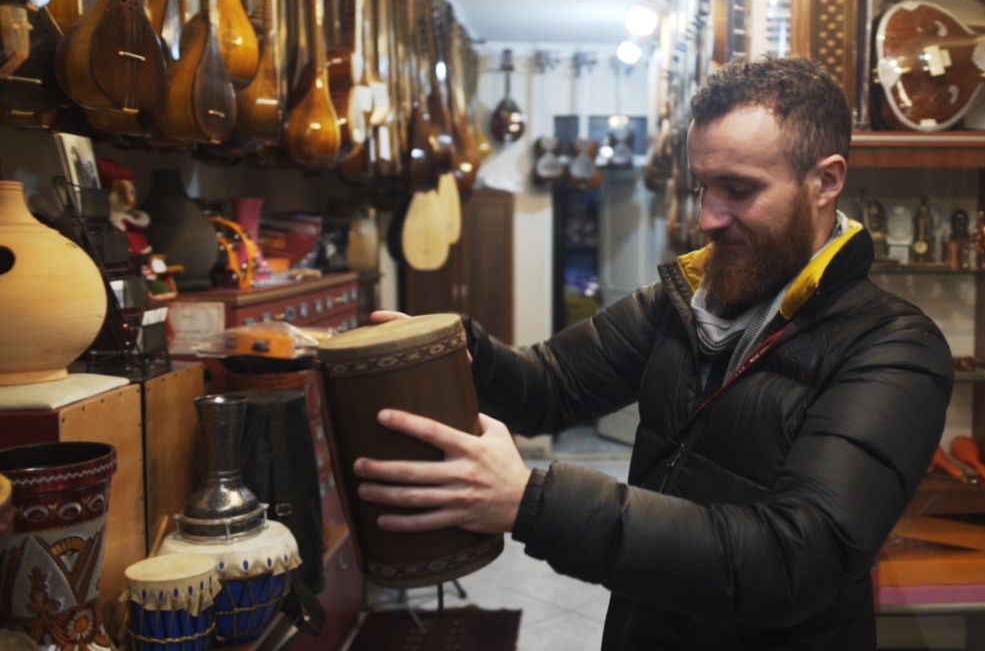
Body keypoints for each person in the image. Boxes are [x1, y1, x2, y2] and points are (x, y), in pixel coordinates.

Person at [355, 57, 953, 649]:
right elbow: (548, 385)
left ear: (825, 181)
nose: (707, 218)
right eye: (702, 187)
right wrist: (459, 347)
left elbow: (793, 561)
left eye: (739, 190)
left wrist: (531, 501)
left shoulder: (895, 349)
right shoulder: (682, 303)